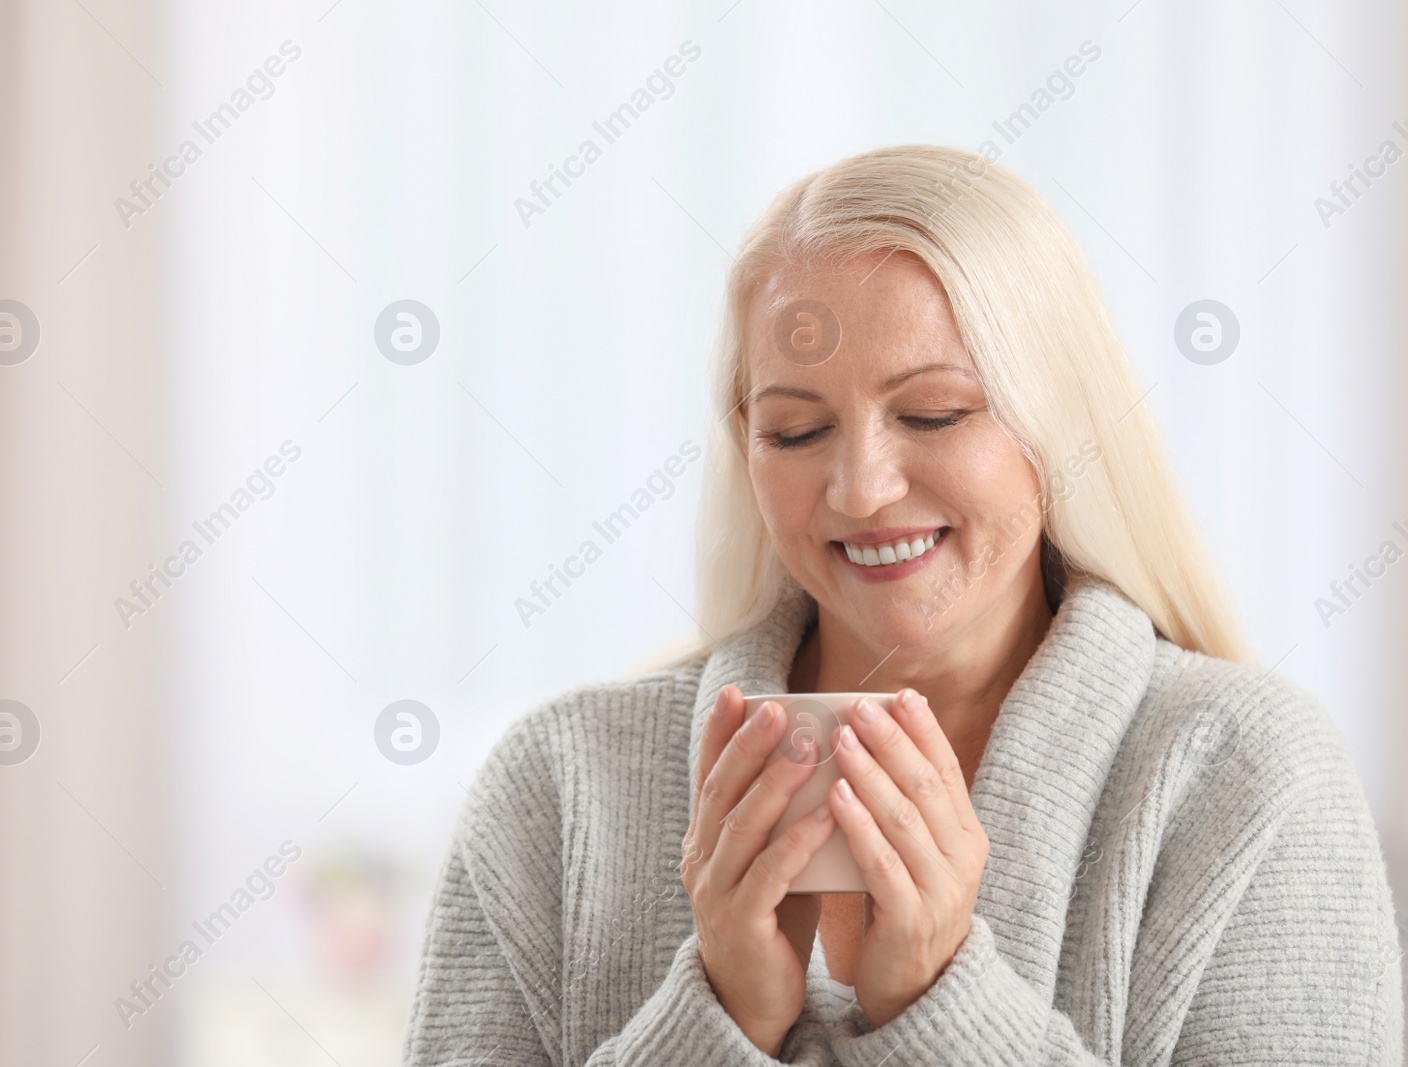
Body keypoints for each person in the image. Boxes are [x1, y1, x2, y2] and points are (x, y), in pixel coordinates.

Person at [401, 145, 1404, 1065]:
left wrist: (941, 1009)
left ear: (1061, 425)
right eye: (794, 430)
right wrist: (719, 1013)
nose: (860, 489)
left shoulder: (1247, 777)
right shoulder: (558, 787)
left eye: (933, 412)